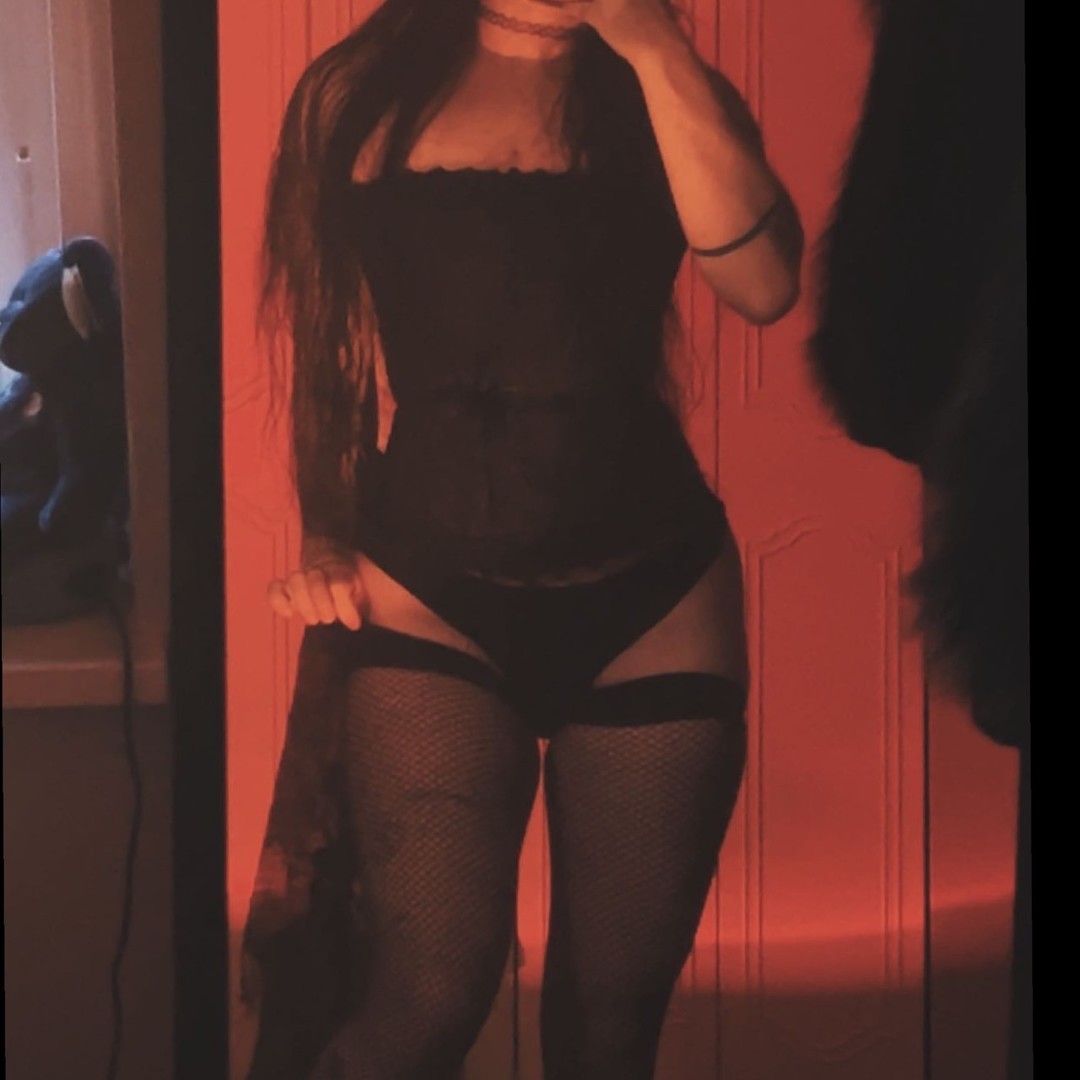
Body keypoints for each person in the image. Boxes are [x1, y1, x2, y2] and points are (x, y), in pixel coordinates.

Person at [245, 1, 802, 1077]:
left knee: (612, 1023)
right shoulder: (357, 90)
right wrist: (323, 535)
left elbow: (766, 284)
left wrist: (652, 43)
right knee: (427, 998)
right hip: (431, 588)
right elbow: (328, 341)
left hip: (655, 599)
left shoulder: (662, 85)